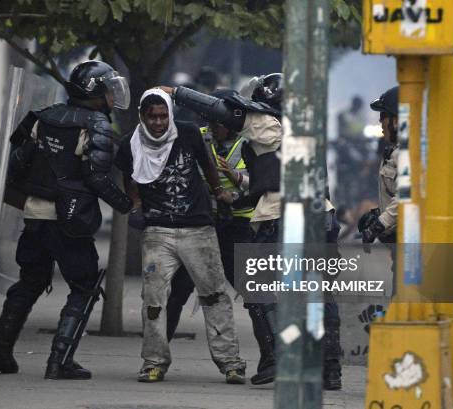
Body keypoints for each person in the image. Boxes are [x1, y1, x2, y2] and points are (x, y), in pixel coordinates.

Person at [160, 74, 343, 389]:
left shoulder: (266, 124)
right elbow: (275, 180)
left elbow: (223, 109)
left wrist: (178, 93)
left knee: (261, 290)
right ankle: (330, 369)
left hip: (284, 218)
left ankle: (278, 358)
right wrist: (239, 196)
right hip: (320, 217)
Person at [0, 61, 133, 380]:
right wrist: (127, 205)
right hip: (71, 220)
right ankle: (59, 361)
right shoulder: (97, 124)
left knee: (29, 282)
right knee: (83, 285)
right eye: (107, 89)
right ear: (94, 93)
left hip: (35, 215)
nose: (111, 96)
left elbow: (17, 164)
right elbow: (97, 177)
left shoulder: (41, 117)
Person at [114, 88, 246, 384]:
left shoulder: (187, 134)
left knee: (215, 296)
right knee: (153, 299)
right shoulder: (130, 145)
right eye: (152, 117)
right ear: (142, 117)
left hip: (198, 229)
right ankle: (153, 363)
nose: (159, 123)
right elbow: (130, 179)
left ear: (170, 115)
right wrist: (136, 205)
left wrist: (219, 192)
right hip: (158, 232)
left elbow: (207, 166)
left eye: (163, 116)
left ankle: (231, 363)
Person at [165, 89, 254, 342]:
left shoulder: (250, 144)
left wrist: (235, 181)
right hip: (200, 223)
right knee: (177, 291)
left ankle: (274, 356)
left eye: (219, 122)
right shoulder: (196, 137)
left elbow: (262, 184)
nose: (213, 127)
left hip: (238, 226)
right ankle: (157, 353)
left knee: (255, 292)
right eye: (210, 121)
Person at [358, 86, 399, 250]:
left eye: (383, 116)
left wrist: (379, 224)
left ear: (396, 121)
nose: (380, 122)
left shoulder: (408, 156)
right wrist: (378, 214)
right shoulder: (393, 151)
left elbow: (407, 199)